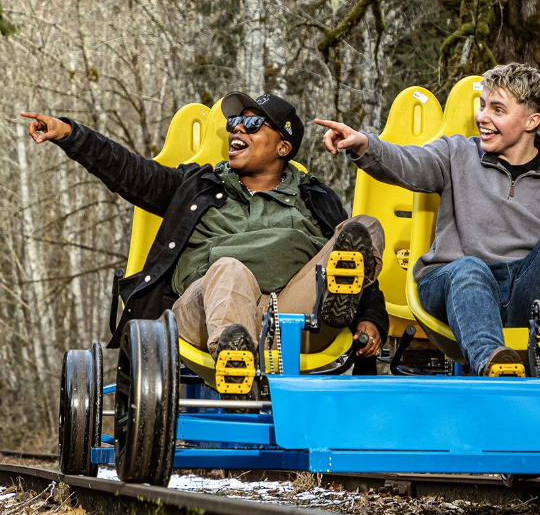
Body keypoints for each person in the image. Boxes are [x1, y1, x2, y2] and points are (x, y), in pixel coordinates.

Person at [21, 92, 388, 380]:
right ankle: (234, 352)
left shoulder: (315, 197)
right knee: (229, 268)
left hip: (293, 320)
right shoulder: (198, 185)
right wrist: (71, 134)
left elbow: (347, 263)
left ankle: (251, 344)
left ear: (283, 147)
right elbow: (130, 172)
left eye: (252, 123)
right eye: (234, 122)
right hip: (204, 313)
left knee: (363, 228)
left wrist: (370, 317)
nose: (236, 129)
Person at [316, 63, 540, 376]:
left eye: (498, 109)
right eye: (482, 105)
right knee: (469, 268)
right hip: (455, 282)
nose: (482, 117)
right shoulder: (455, 153)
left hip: (528, 294)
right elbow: (407, 162)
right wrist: (364, 145)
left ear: (532, 121)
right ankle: (495, 365)